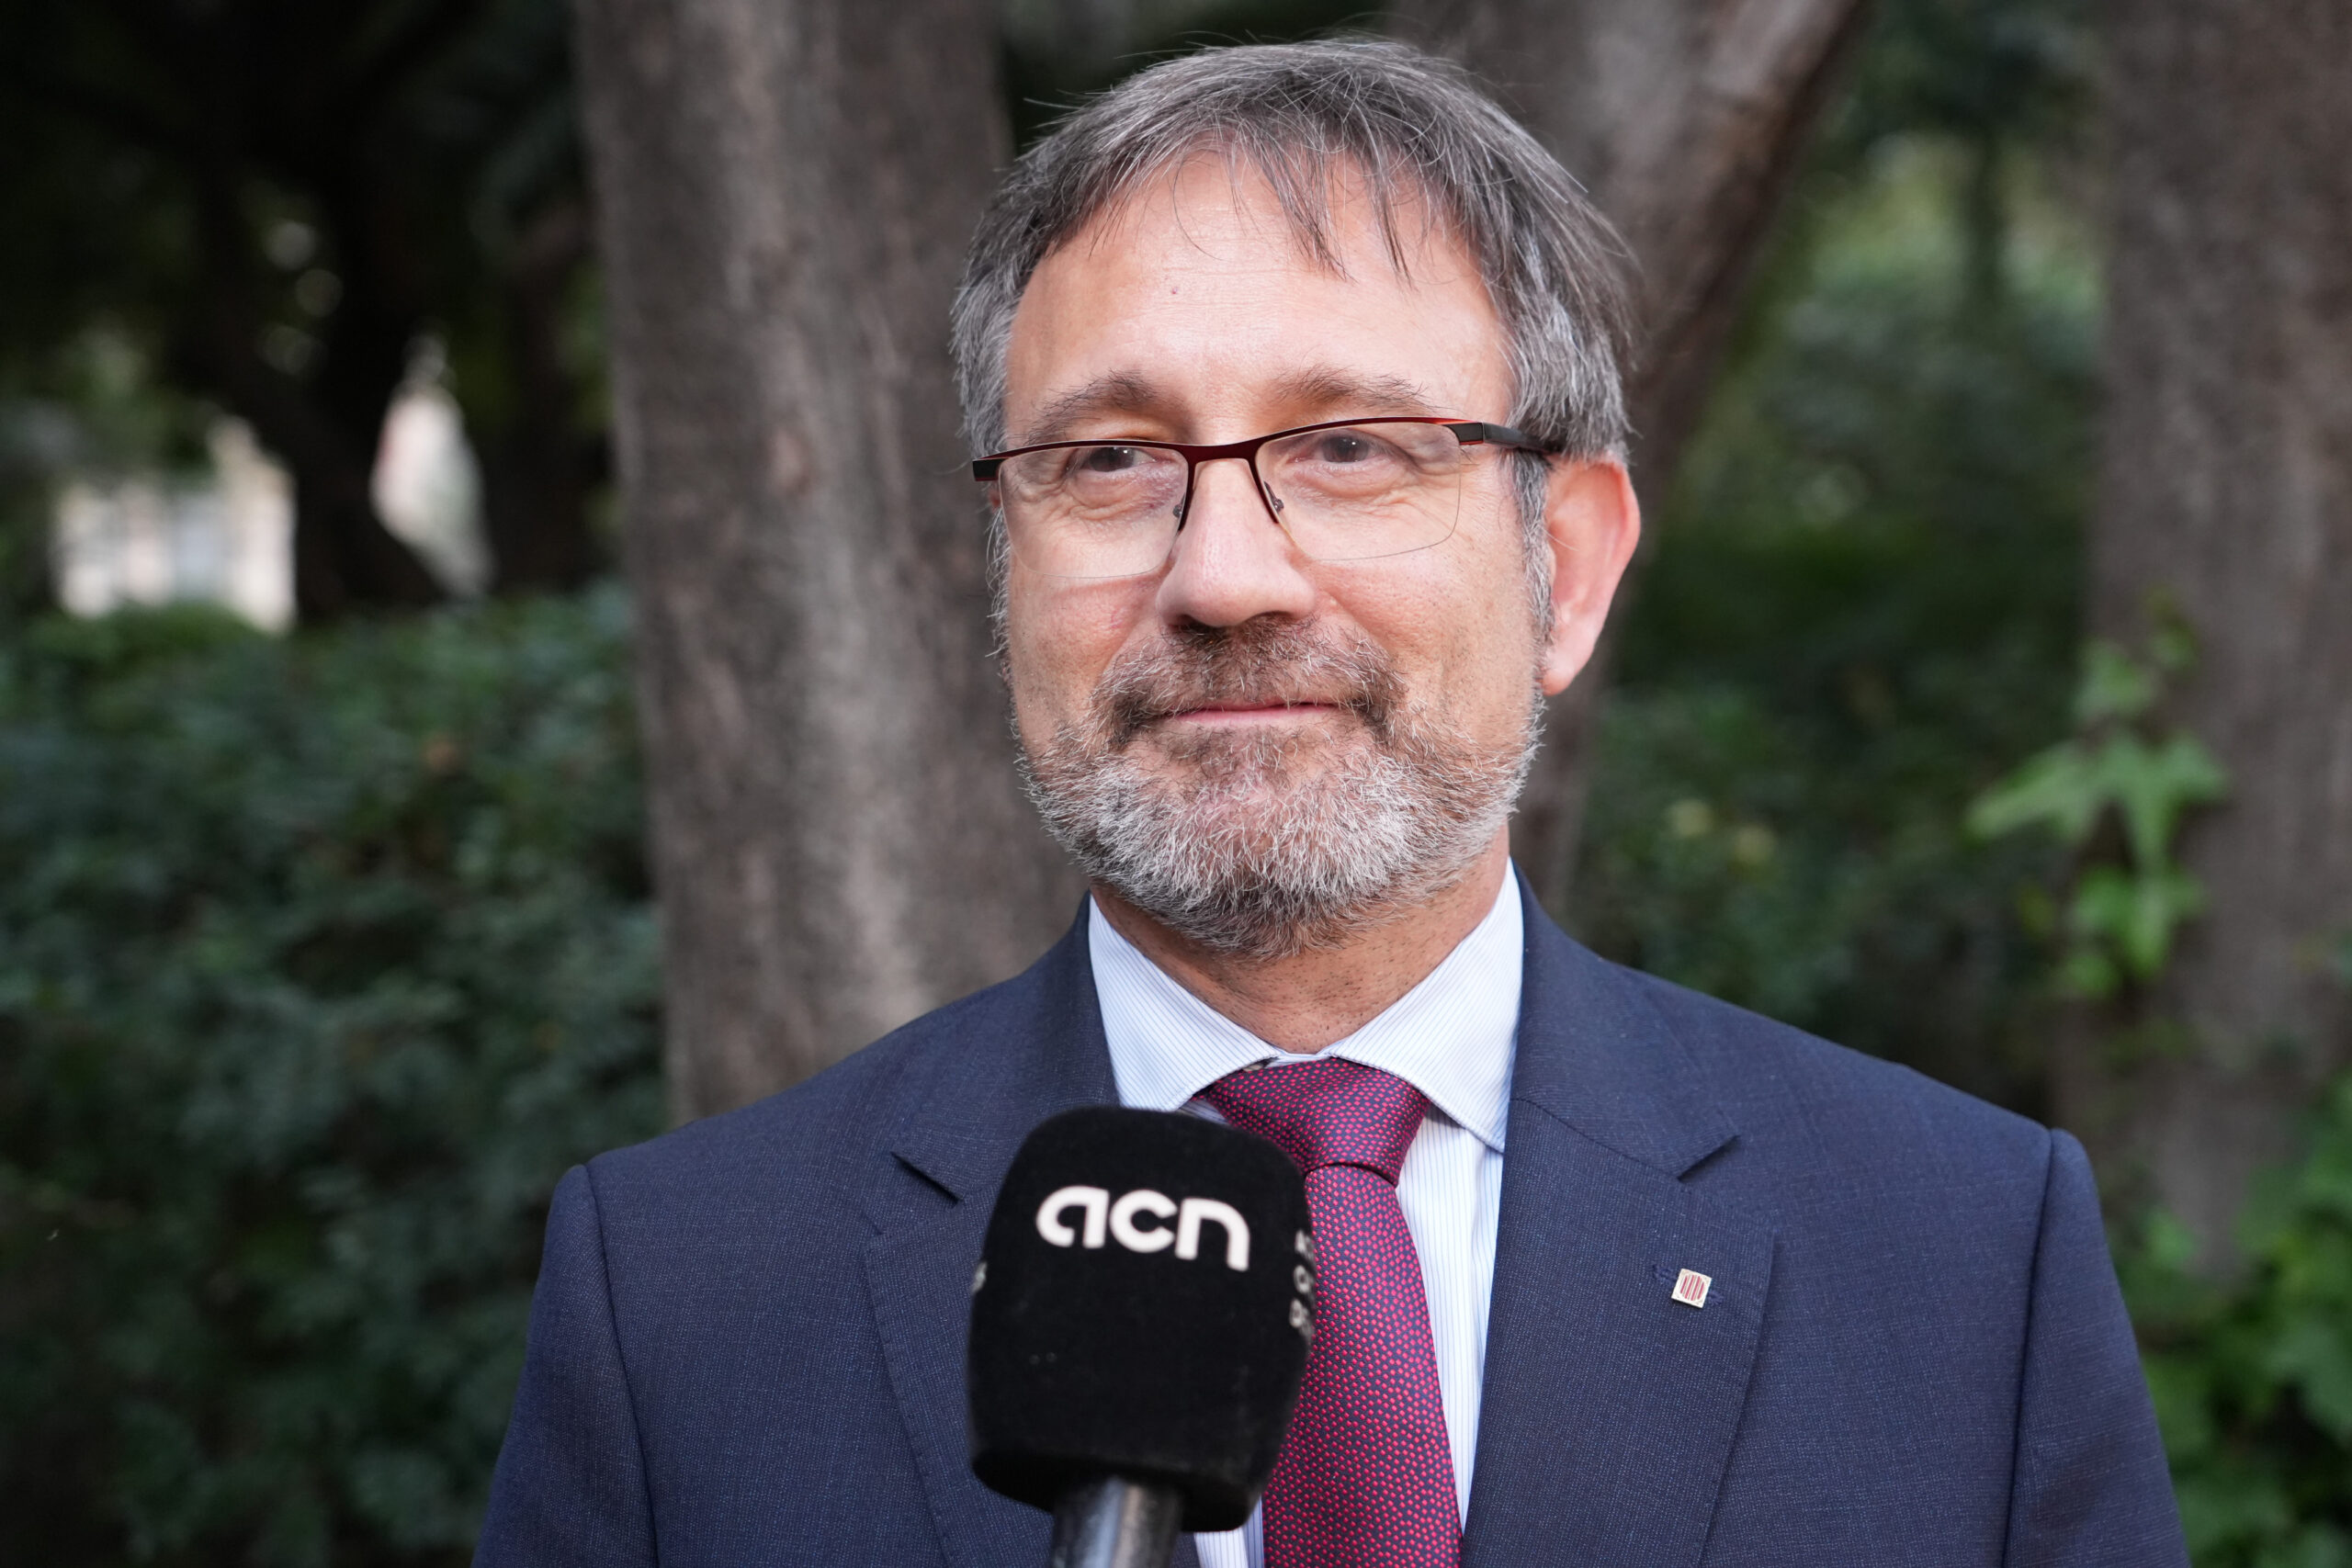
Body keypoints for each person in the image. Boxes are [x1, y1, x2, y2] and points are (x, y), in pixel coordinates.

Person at [476, 39, 2185, 1568]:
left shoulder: (1964, 1260)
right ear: (1003, 565)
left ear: (1570, 567)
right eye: (1110, 459)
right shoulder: (678, 1296)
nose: (1224, 577)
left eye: (1351, 445)